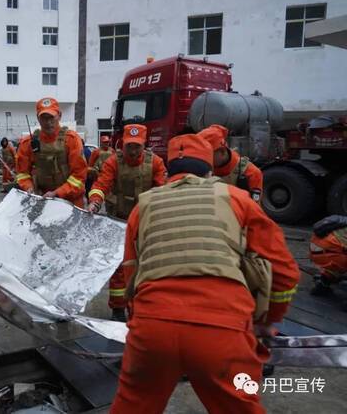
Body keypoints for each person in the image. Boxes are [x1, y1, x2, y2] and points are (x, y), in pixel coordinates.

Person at [110, 134, 300, 414]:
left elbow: (130, 274)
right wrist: (267, 322)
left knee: (133, 405)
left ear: (168, 170)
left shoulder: (144, 206)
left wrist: (139, 321)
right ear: (210, 170)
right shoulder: (238, 199)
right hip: (223, 328)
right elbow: (284, 273)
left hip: (153, 329)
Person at [87, 124, 166, 321]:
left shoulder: (155, 163)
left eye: (136, 146)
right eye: (129, 146)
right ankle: (118, 308)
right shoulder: (114, 162)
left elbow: (163, 190)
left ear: (144, 145)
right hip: (119, 221)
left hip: (145, 223)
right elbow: (101, 184)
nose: (132, 150)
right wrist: (95, 202)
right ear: (123, 144)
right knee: (119, 268)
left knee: (147, 266)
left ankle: (143, 308)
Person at [15, 97, 87, 208]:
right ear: (38, 119)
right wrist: (28, 187)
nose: (48, 122)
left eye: (51, 117)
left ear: (59, 115)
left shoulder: (71, 140)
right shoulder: (28, 143)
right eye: (44, 118)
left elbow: (79, 176)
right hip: (42, 201)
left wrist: (57, 193)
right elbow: (22, 174)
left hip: (71, 203)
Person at [198, 124, 263, 202]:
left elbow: (254, 208)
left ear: (222, 152)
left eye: (208, 154)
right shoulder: (199, 171)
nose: (203, 158)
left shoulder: (251, 173)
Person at [309, 215, 347, 308]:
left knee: (337, 264)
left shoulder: (342, 223)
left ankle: (322, 285)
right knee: (340, 259)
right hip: (332, 254)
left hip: (316, 251)